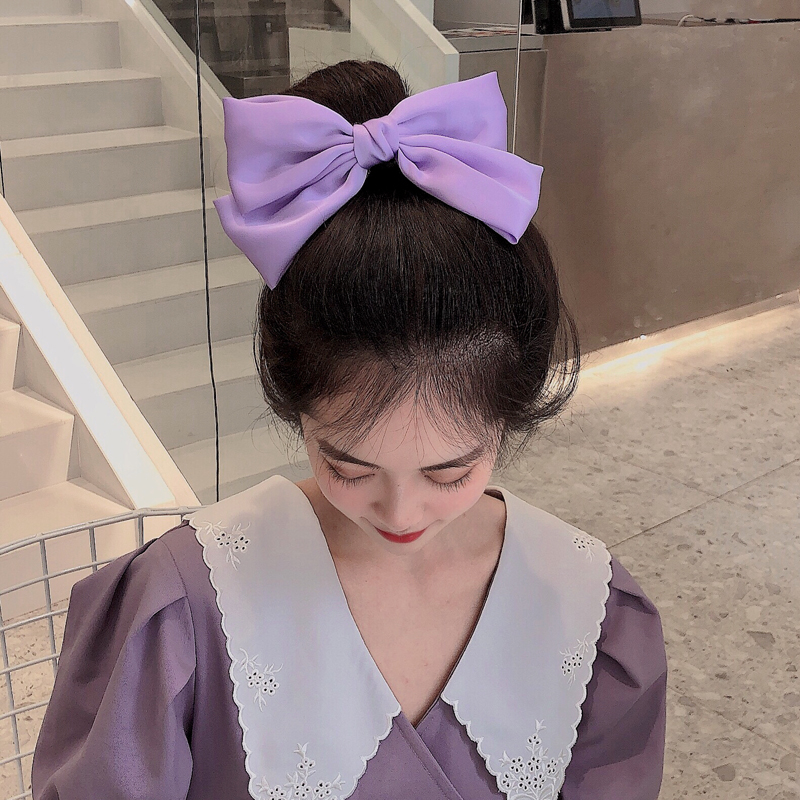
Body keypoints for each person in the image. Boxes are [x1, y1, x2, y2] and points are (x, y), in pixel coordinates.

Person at [31, 60, 667, 800]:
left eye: (449, 472)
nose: (401, 513)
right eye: (350, 467)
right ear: (293, 403)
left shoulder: (590, 610)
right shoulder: (184, 608)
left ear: (511, 414)